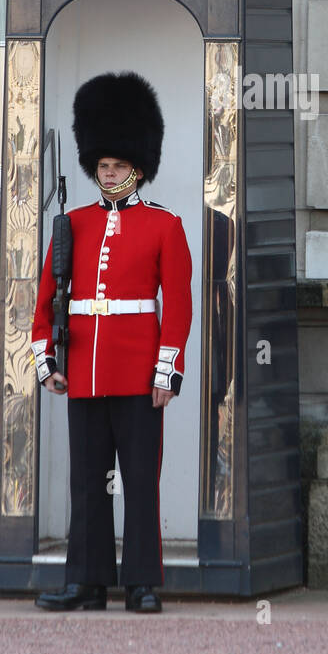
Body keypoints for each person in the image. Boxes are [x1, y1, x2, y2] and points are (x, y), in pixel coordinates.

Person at [31, 71, 193, 614]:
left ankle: (143, 582)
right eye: (102, 165)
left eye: (118, 165)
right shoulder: (72, 225)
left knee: (140, 481)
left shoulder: (164, 227)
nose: (109, 172)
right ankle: (87, 581)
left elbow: (179, 306)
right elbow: (47, 299)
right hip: (84, 370)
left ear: (137, 168)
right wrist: (45, 361)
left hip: (138, 371)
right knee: (88, 483)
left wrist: (166, 371)